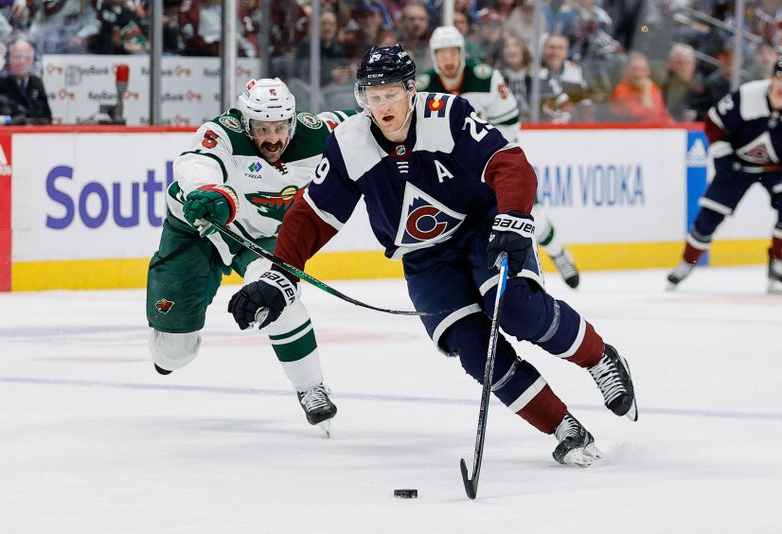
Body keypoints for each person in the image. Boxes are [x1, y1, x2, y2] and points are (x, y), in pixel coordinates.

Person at [228, 46, 638, 466]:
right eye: (372, 95)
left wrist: (514, 217)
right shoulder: (349, 143)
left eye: (390, 94)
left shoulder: (448, 115)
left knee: (515, 308)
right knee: (475, 350)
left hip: (482, 228)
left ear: (411, 90)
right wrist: (281, 277)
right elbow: (312, 215)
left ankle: (598, 357)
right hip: (424, 258)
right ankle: (563, 427)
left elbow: (509, 163)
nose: (382, 105)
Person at [146, 78, 354, 432]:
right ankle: (173, 339)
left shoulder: (320, 133)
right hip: (200, 230)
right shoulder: (223, 132)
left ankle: (311, 389)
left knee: (279, 296)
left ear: (292, 121)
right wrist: (210, 191)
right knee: (172, 354)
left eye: (279, 128)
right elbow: (196, 162)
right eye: (261, 128)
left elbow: (373, 121)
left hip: (260, 240)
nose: (272, 138)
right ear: (245, 123)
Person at [417, 26, 581, 288]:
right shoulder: (424, 88)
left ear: (462, 54)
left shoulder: (486, 78)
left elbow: (509, 123)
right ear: (434, 58)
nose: (448, 60)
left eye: (452, 53)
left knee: (530, 216)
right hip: (450, 172)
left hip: (490, 162)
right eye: (441, 54)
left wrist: (493, 159)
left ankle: (559, 254)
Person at [667, 58, 782, 293]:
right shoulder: (748, 96)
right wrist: (723, 157)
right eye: (780, 77)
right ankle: (686, 263)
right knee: (710, 215)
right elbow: (713, 122)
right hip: (737, 165)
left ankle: (778, 262)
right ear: (771, 78)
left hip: (777, 169)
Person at [0, 37, 52, 125]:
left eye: (27, 58)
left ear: (34, 60)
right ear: (8, 59)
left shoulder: (36, 82)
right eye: (17, 57)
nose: (22, 61)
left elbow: (47, 117)